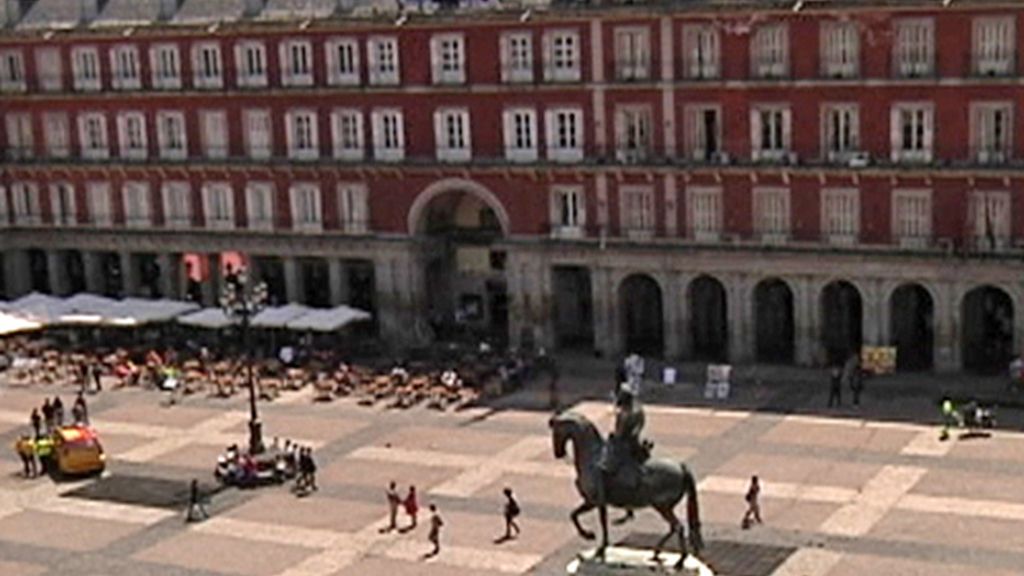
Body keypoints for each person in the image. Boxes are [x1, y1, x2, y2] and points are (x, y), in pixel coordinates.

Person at [599, 385, 648, 500]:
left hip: (624, 442)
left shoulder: (624, 414)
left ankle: (604, 489)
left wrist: (612, 435)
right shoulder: (638, 409)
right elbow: (641, 423)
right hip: (635, 440)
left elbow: (619, 433)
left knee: (605, 463)